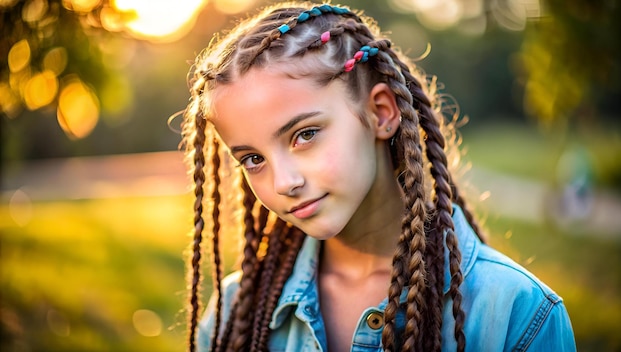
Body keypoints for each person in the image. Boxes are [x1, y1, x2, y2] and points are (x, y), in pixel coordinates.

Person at [180, 2, 576, 351]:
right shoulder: (236, 312)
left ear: (382, 113)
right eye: (252, 159)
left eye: (305, 135)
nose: (284, 183)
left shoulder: (517, 312)